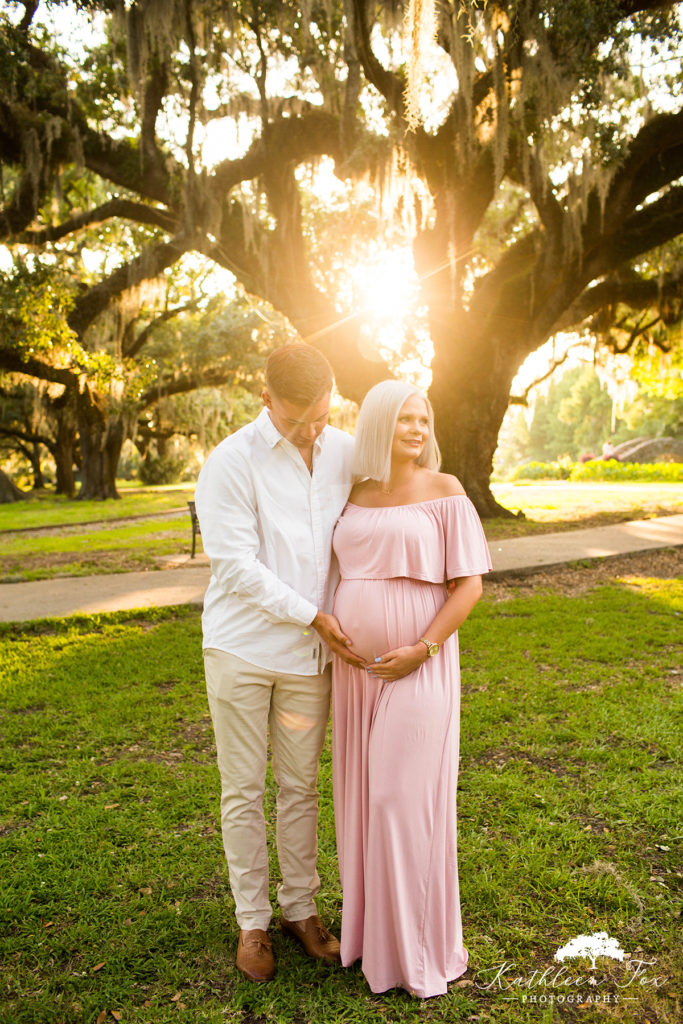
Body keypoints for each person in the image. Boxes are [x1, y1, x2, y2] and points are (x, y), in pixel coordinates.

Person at [195, 343, 364, 983]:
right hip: (240, 650)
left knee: (300, 787)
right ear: (265, 399)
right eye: (297, 420)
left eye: (321, 416)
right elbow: (235, 567)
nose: (311, 431)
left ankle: (301, 910)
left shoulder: (345, 451)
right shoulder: (230, 461)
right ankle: (252, 922)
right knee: (243, 788)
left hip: (306, 659)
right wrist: (314, 614)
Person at [331, 379, 492, 998]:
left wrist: (423, 648)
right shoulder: (351, 493)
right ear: (378, 423)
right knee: (363, 801)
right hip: (356, 671)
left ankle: (416, 953)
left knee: (401, 800)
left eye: (423, 420)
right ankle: (373, 941)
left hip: (420, 663)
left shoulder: (445, 490)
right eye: (405, 419)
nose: (418, 430)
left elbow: (469, 585)